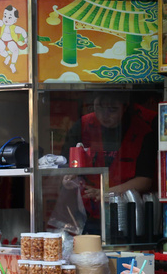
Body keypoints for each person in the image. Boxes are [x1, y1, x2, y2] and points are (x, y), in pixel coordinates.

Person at [60, 93, 158, 234]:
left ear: (125, 107)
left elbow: (145, 180)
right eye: (99, 108)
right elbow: (64, 164)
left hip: (127, 214)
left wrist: (108, 193)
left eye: (113, 109)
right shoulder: (83, 126)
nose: (104, 115)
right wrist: (68, 179)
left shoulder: (142, 131)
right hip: (86, 215)